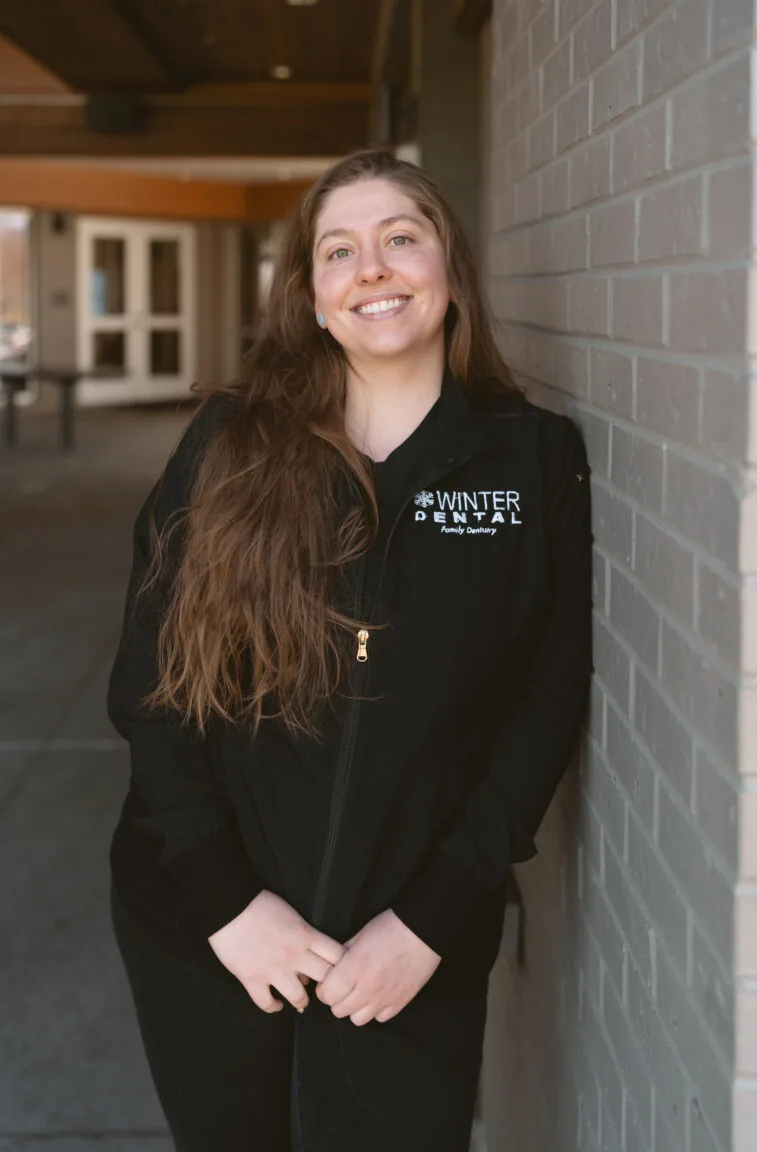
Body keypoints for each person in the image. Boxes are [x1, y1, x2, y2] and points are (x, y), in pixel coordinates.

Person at [107, 147, 593, 1152]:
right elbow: (150, 686)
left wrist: (432, 917)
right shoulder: (230, 446)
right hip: (212, 932)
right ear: (315, 299)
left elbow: (544, 701)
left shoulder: (530, 460)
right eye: (341, 251)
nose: (372, 267)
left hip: (409, 948)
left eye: (399, 238)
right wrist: (224, 903)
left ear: (448, 273)